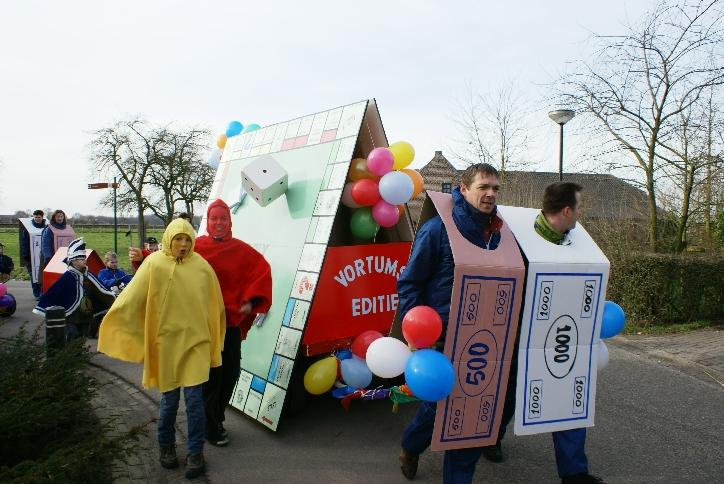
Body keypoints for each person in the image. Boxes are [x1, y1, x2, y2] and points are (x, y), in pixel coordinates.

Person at [397, 163, 502, 484]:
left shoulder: (499, 235)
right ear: (464, 189)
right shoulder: (437, 230)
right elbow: (410, 282)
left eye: (495, 188)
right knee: (437, 406)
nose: (490, 194)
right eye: (483, 187)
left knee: (470, 412)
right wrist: (416, 332)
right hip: (442, 335)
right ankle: (411, 445)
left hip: (484, 335)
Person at [493, 182, 605, 484]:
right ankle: (492, 437)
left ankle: (574, 472)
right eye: (579, 207)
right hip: (521, 334)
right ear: (567, 210)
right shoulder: (517, 240)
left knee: (568, 394)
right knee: (510, 393)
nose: (581, 213)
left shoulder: (573, 241)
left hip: (560, 333)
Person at [97, 219, 225, 479]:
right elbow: (132, 297)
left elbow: (215, 307)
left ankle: (195, 452)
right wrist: (116, 319)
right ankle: (166, 446)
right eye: (178, 239)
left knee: (194, 401)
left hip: (196, 344)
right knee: (170, 401)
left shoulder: (202, 267)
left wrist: (215, 342)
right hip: (166, 344)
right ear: (169, 239)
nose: (183, 244)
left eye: (187, 239)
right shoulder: (154, 264)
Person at [195, 199, 272, 447]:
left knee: (230, 374)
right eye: (214, 218)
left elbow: (261, 271)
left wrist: (251, 301)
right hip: (205, 325)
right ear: (208, 221)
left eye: (223, 218)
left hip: (229, 325)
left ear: (230, 222)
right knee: (211, 377)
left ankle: (215, 418)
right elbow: (167, 261)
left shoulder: (241, 250)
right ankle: (211, 426)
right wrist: (141, 258)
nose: (218, 223)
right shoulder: (195, 247)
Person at [33, 238, 116, 340]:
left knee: (83, 337)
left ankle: (79, 348)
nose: (85, 260)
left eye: (85, 257)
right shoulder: (67, 277)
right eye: (82, 258)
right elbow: (54, 293)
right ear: (74, 261)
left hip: (85, 315)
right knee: (73, 336)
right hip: (71, 316)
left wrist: (111, 299)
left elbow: (101, 289)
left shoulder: (88, 276)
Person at [18, 209, 47, 298]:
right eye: (36, 217)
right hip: (31, 257)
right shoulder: (28, 229)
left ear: (42, 217)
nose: (37, 219)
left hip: (43, 256)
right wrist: (26, 256)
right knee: (34, 276)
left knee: (43, 275)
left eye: (39, 217)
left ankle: (43, 292)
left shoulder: (47, 228)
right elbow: (24, 243)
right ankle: (37, 293)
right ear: (33, 217)